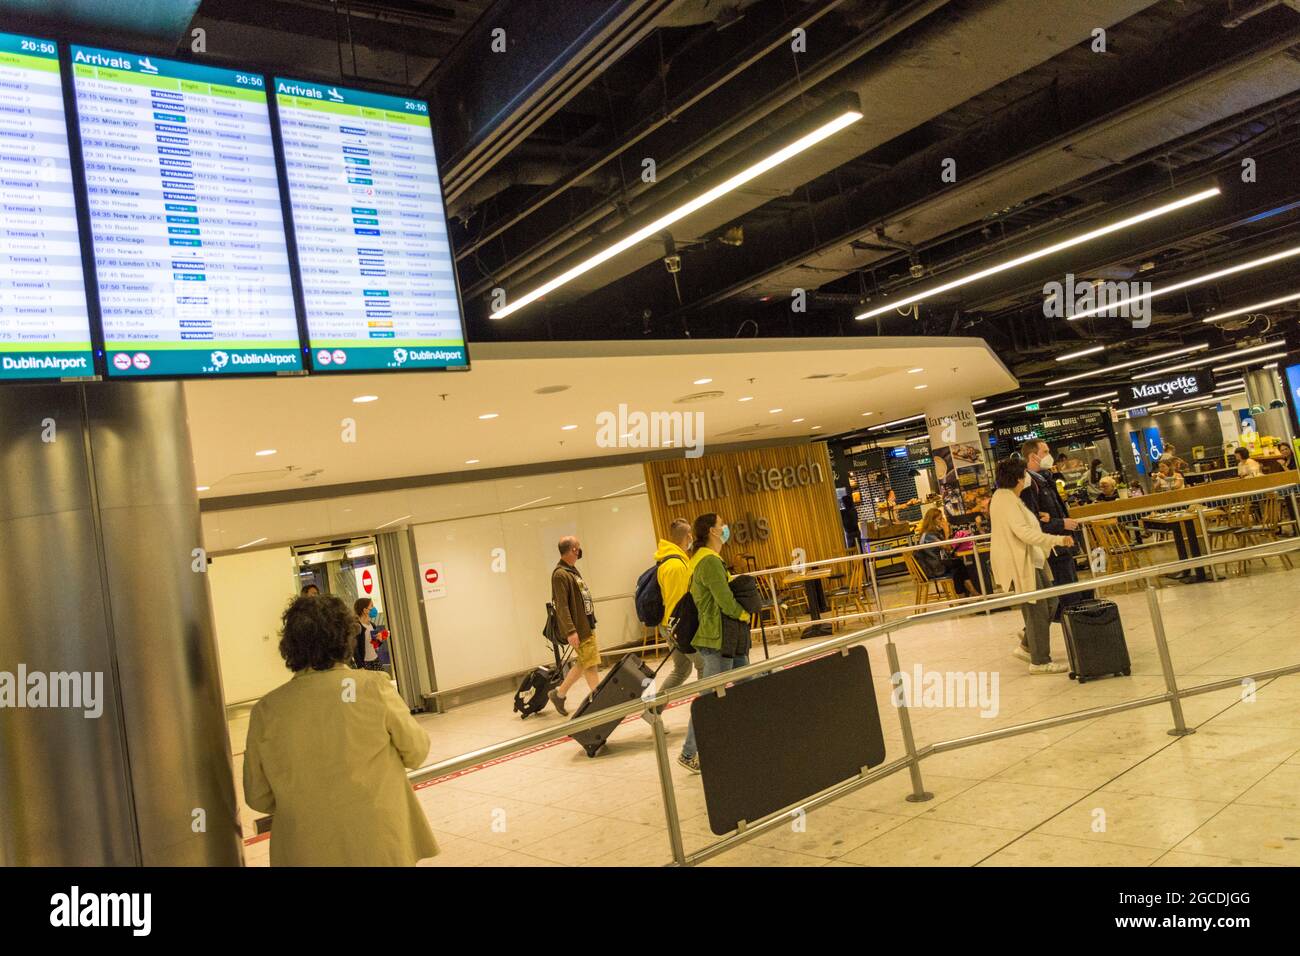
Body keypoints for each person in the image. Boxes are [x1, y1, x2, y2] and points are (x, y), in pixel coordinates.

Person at [242, 595, 437, 866]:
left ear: (289, 646)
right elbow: (416, 751)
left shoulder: (267, 710)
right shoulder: (372, 688)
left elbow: (258, 796)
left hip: (304, 850)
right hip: (377, 842)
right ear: (346, 638)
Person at [678, 513, 752, 774]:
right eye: (722, 525)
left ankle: (752, 736)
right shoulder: (708, 561)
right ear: (712, 531)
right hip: (716, 637)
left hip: (727, 636)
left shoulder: (706, 558)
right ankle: (689, 752)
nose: (725, 529)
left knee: (748, 685)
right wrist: (743, 613)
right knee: (708, 699)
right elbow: (723, 600)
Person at [989, 459, 1076, 675]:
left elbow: (1023, 524)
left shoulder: (1008, 498)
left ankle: (1028, 644)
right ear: (1019, 478)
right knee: (1037, 608)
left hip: (1032, 561)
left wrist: (1040, 520)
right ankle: (1040, 661)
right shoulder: (1006, 500)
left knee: (1050, 602)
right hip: (1022, 563)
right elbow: (1023, 532)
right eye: (1024, 474)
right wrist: (1057, 539)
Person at [1020, 439, 1087, 640]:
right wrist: (1060, 524)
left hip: (1061, 545)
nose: (1049, 455)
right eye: (1046, 451)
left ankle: (1029, 639)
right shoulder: (1029, 485)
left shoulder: (1044, 479)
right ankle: (1078, 642)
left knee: (1064, 596)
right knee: (1065, 598)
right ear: (1033, 456)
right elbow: (1034, 523)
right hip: (1051, 549)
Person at [547, 536, 601, 715]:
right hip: (579, 628)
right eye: (578, 547)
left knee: (585, 661)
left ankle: (559, 694)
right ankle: (601, 700)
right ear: (573, 550)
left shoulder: (571, 570)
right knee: (590, 664)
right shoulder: (560, 574)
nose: (580, 550)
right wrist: (571, 631)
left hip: (585, 624)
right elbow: (561, 606)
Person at [654, 518, 697, 694]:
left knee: (682, 669)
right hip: (678, 626)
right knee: (705, 665)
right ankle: (709, 708)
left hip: (670, 625)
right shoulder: (676, 565)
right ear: (688, 536)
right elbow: (678, 603)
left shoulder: (670, 560)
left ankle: (654, 708)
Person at [916, 508, 978, 597]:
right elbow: (948, 548)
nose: (943, 521)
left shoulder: (932, 533)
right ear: (932, 521)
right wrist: (946, 531)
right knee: (958, 565)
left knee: (957, 564)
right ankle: (966, 594)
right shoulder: (929, 535)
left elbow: (948, 549)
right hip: (934, 568)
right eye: (940, 519)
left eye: (943, 518)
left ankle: (966, 593)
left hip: (934, 564)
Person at [352, 598, 386, 671]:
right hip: (365, 663)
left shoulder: (372, 625)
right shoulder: (357, 627)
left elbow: (375, 645)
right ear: (365, 610)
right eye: (372, 606)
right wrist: (360, 666)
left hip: (375, 659)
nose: (374, 608)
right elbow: (355, 649)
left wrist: (379, 640)